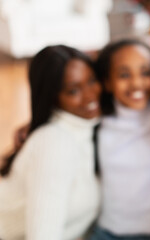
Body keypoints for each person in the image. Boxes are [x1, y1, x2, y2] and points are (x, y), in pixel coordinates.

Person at [0, 45, 101, 239]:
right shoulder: (55, 143)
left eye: (92, 80)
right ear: (52, 97)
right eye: (73, 91)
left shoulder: (87, 128)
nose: (90, 95)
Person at [89, 39, 150, 240]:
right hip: (108, 232)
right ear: (108, 83)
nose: (136, 83)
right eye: (124, 75)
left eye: (145, 73)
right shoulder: (97, 121)